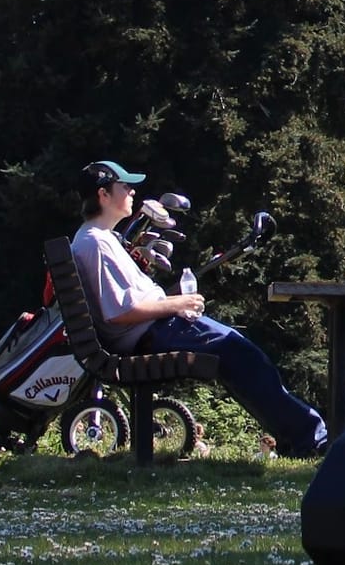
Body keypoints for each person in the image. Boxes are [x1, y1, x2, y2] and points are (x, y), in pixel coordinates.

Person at [70, 160, 327, 458]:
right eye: (124, 186)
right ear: (103, 195)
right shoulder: (96, 243)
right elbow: (121, 312)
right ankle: (311, 439)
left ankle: (300, 437)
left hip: (153, 331)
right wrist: (179, 303)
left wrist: (175, 304)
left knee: (239, 357)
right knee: (241, 352)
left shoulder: (96, 239)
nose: (131, 192)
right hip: (150, 335)